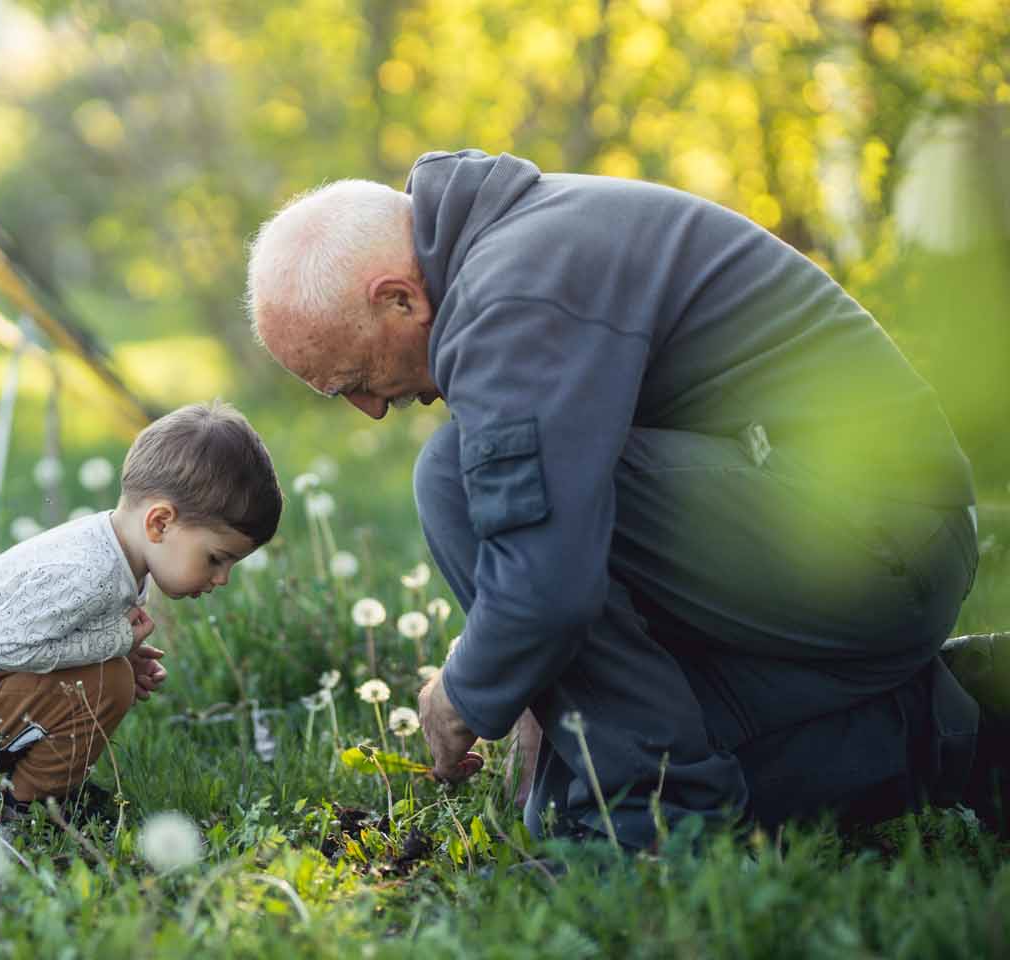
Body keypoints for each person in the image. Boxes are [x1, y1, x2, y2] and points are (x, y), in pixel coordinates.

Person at [247, 148, 999, 847]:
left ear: (399, 300)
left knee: (449, 476)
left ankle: (657, 813)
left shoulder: (514, 290)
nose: (371, 411)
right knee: (572, 805)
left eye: (351, 382)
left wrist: (461, 698)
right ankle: (953, 724)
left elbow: (547, 587)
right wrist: (541, 690)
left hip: (875, 540)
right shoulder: (511, 254)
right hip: (852, 540)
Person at [0, 401, 282, 817]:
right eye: (216, 559)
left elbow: (49, 633)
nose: (222, 579)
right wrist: (112, 643)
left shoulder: (116, 553)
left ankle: (48, 793)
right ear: (159, 523)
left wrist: (117, 653)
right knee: (109, 684)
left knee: (110, 678)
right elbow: (2, 644)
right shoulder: (89, 572)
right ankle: (33, 808)